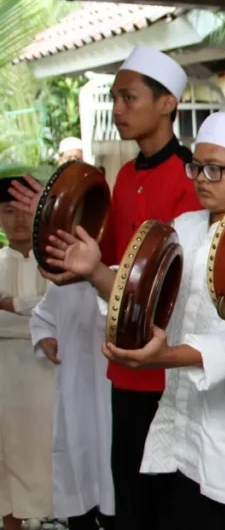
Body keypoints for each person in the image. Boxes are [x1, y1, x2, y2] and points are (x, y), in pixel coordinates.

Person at [43, 112, 225, 530]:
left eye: (217, 169)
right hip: (185, 428)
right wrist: (96, 271)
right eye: (197, 167)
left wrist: (164, 356)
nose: (202, 178)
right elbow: (144, 290)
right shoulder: (184, 228)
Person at [7, 45, 204, 530]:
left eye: (128, 97)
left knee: (168, 504)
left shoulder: (190, 179)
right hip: (121, 368)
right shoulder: (123, 175)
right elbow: (100, 261)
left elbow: (168, 283)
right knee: (128, 498)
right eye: (115, 97)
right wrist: (48, 221)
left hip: (169, 366)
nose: (117, 109)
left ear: (166, 104)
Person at [29, 277, 114, 530]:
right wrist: (45, 336)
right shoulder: (62, 284)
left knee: (117, 479)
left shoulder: (121, 276)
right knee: (79, 467)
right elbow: (41, 316)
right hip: (76, 394)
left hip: (117, 393)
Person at [0, 177, 54, 530]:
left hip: (48, 378)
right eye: (8, 211)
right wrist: (37, 317)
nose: (19, 219)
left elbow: (60, 313)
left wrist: (11, 305)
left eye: (24, 209)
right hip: (6, 379)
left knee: (48, 457)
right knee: (7, 458)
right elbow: (46, 317)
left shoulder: (54, 262)